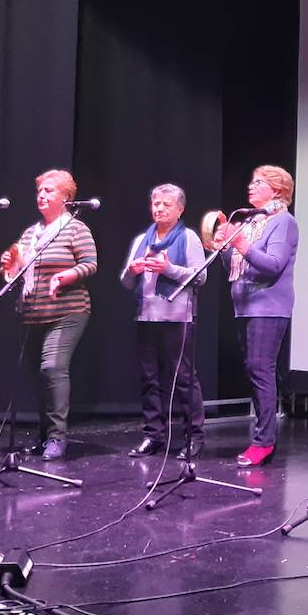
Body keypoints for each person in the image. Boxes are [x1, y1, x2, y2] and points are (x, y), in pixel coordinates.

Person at [0, 169, 97, 461]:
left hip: (68, 311)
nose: (42, 195)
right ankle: (43, 438)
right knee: (39, 377)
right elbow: (15, 275)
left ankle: (57, 438)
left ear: (67, 198)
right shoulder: (30, 233)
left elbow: (90, 264)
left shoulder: (76, 229)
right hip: (32, 314)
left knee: (52, 368)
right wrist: (9, 265)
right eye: (40, 191)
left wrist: (66, 275)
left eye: (49, 191)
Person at [218, 165, 299, 468]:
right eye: (251, 182)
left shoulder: (283, 222)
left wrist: (240, 244)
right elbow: (233, 267)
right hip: (244, 304)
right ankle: (262, 437)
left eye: (259, 183)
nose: (250, 187)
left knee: (260, 369)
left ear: (277, 190)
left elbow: (273, 264)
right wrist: (224, 245)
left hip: (269, 306)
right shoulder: (250, 222)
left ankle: (264, 441)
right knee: (254, 371)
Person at [120, 184, 208, 460]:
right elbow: (126, 282)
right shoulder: (142, 240)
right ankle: (153, 435)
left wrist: (167, 268)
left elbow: (201, 277)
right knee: (149, 379)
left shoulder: (189, 238)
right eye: (155, 204)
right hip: (146, 316)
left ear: (180, 209)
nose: (158, 208)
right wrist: (131, 271)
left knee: (183, 379)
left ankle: (193, 437)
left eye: (166, 205)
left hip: (177, 317)